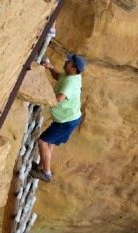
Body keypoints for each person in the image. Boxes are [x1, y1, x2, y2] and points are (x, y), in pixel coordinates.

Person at [29, 53, 86, 183]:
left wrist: (40, 97)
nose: (66, 62)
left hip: (66, 121)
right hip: (68, 119)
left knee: (42, 141)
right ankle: (40, 167)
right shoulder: (72, 75)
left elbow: (59, 98)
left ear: (73, 69)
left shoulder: (71, 82)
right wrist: (50, 68)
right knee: (50, 142)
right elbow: (58, 76)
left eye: (69, 62)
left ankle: (46, 173)